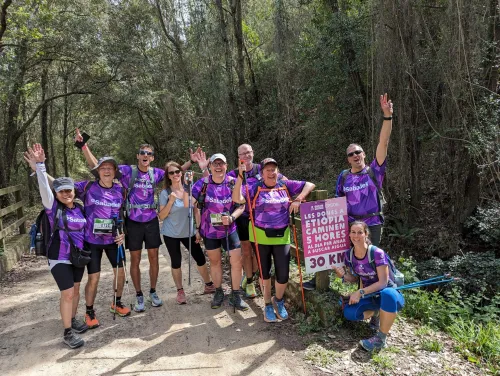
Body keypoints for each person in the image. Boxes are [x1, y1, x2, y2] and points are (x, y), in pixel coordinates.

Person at [75, 131, 204, 312]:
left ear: (152, 158)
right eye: (142, 153)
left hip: (151, 220)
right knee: (134, 259)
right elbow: (99, 166)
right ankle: (138, 294)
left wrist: (191, 161)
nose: (145, 156)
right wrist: (84, 147)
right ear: (138, 156)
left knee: (153, 258)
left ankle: (152, 291)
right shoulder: (128, 171)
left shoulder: (156, 173)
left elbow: (175, 173)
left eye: (149, 154)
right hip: (133, 222)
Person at [303, 93, 393, 290]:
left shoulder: (374, 171)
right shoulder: (343, 176)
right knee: (331, 246)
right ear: (348, 159)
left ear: (364, 154)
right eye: (351, 154)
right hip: (350, 222)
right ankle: (319, 278)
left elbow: (383, 142)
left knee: (370, 263)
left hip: (371, 223)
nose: (355, 155)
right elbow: (338, 202)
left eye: (358, 152)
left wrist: (387, 116)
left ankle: (371, 303)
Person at [233, 158, 315, 322]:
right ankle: (267, 304)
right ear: (262, 173)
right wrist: (240, 177)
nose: (271, 173)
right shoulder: (255, 187)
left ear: (278, 171)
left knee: (283, 273)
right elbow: (237, 198)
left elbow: (310, 184)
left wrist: (299, 199)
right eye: (268, 170)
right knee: (265, 272)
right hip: (260, 235)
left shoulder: (285, 185)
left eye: (274, 169)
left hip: (282, 236)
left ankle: (278, 301)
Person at [24, 144, 88, 349]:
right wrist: (40, 166)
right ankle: (67, 332)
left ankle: (73, 317)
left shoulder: (79, 208)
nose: (66, 194)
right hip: (59, 256)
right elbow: (44, 188)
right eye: (61, 191)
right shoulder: (53, 209)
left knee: (76, 290)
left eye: (69, 190)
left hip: (77, 256)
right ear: (56, 193)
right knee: (68, 292)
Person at [184, 153, 248, 311]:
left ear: (226, 166)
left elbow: (242, 205)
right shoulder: (203, 184)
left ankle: (236, 295)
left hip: (230, 229)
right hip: (210, 231)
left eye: (222, 164)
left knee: (236, 262)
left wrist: (232, 217)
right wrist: (187, 185)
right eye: (215, 164)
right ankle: (218, 292)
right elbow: (188, 204)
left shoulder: (234, 182)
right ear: (210, 166)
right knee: (215, 262)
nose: (218, 167)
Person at [74, 157, 130, 328]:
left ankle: (116, 303)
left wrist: (123, 234)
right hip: (92, 241)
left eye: (110, 168)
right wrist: (40, 169)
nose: (107, 171)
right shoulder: (87, 187)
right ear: (97, 171)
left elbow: (123, 215)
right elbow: (61, 186)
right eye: (103, 168)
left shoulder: (121, 191)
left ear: (115, 172)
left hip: (114, 239)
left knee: (120, 273)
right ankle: (89, 312)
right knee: (94, 278)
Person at [332, 221, 404, 351]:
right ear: (349, 234)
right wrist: (342, 275)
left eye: (360, 232)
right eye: (353, 232)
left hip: (390, 295)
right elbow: (354, 278)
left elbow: (383, 282)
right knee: (349, 312)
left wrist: (359, 292)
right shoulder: (349, 255)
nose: (356, 236)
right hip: (371, 295)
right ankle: (377, 313)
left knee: (387, 293)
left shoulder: (377, 253)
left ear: (366, 234)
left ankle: (381, 339)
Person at [159, 161, 215, 304]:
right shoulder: (165, 193)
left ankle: (209, 285)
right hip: (171, 233)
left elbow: (196, 210)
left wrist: (198, 229)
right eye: (171, 173)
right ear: (168, 176)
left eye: (177, 171)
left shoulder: (189, 189)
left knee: (200, 258)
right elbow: (161, 216)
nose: (175, 174)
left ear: (181, 173)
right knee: (176, 261)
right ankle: (180, 291)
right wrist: (170, 201)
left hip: (189, 232)